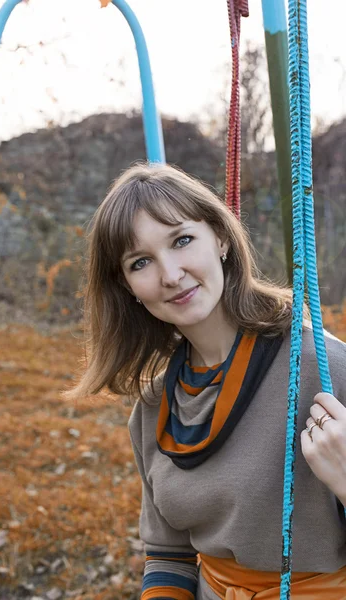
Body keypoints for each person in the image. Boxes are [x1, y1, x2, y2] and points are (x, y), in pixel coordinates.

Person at [65, 163, 346, 599]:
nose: (171, 275)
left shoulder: (322, 367)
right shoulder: (154, 405)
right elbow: (168, 555)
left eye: (181, 240)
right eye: (141, 262)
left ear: (220, 237)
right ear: (127, 287)